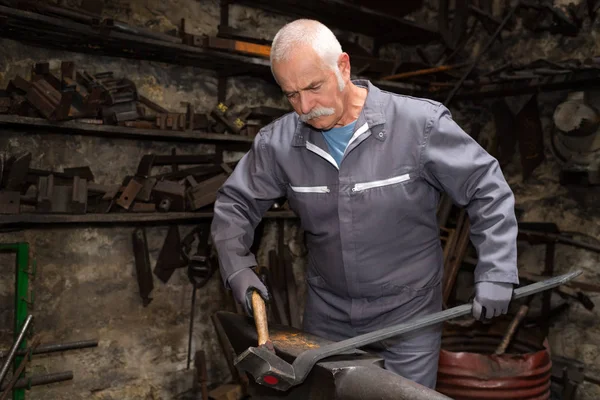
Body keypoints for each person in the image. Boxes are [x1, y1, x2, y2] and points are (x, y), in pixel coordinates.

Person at [210, 19, 519, 389]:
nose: (305, 106)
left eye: (314, 87)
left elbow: (487, 188)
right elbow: (234, 206)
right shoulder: (277, 144)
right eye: (291, 94)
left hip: (410, 316)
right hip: (329, 315)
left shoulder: (419, 125)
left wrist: (498, 268)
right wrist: (237, 267)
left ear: (343, 66)